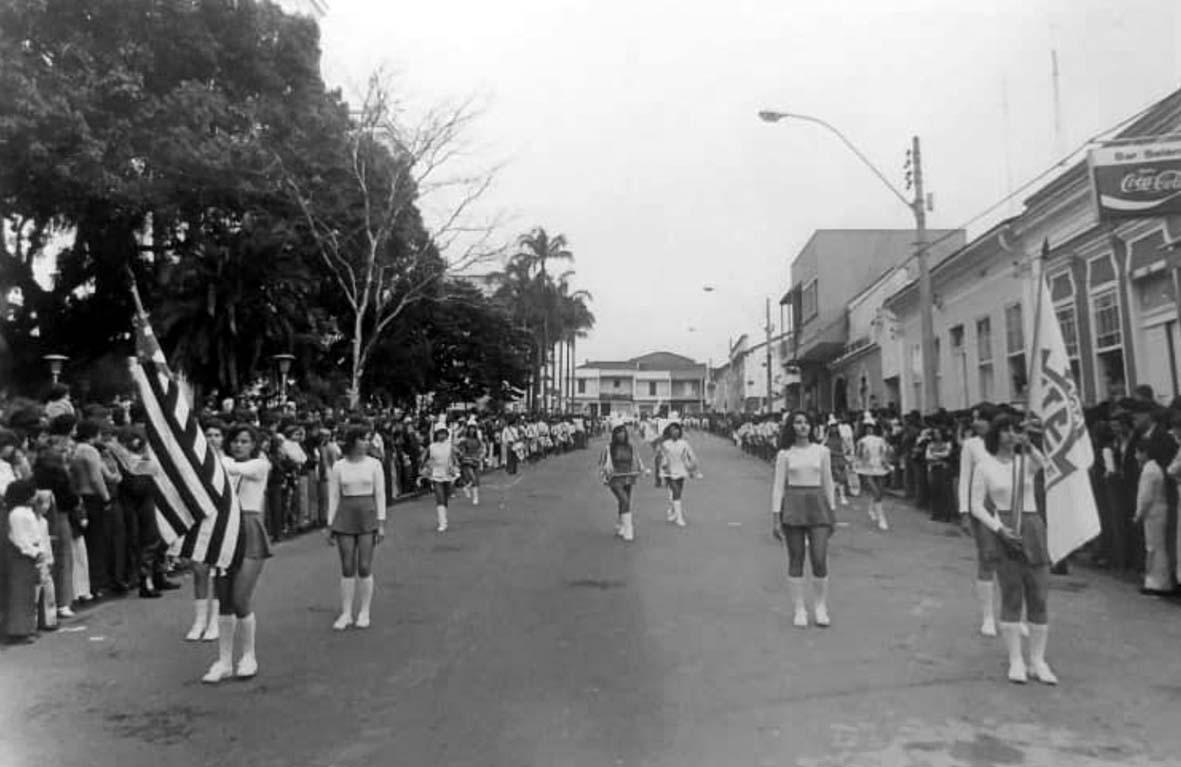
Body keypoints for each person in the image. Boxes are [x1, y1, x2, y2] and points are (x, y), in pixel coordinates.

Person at [969, 414, 1056, 685]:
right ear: (996, 436)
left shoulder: (1024, 463)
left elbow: (1046, 466)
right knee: (1012, 593)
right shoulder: (985, 466)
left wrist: (1029, 445)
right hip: (1004, 526)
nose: (1010, 435)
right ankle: (1016, 659)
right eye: (1004, 430)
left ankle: (1038, 661)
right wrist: (997, 528)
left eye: (1013, 430)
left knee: (1038, 594)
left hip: (1032, 524)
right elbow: (977, 505)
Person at [203, 424, 272, 684]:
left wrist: (207, 458)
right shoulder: (223, 462)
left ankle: (248, 656)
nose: (239, 445)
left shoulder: (259, 465)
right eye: (235, 441)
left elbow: (234, 468)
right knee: (224, 600)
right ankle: (223, 661)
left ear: (253, 445)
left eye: (245, 441)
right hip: (223, 531)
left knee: (240, 597)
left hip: (249, 528)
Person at [771, 411, 836, 628]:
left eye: (806, 422)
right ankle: (799, 609)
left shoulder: (822, 451)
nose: (803, 426)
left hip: (818, 505)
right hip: (793, 505)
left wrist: (832, 510)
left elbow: (828, 482)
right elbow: (778, 486)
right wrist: (775, 517)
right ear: (792, 427)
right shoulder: (785, 454)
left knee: (819, 558)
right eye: (798, 423)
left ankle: (820, 606)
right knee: (796, 558)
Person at [326, 426, 386, 630]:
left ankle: (364, 611)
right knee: (347, 566)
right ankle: (346, 612)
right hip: (345, 514)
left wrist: (381, 521)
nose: (367, 443)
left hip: (367, 514)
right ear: (352, 441)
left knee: (364, 566)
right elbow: (334, 495)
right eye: (363, 439)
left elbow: (380, 494)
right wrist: (330, 523)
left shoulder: (374, 464)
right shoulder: (339, 466)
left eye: (368, 439)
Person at [957, 405, 1002, 636]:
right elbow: (965, 478)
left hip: (1007, 504)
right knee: (987, 557)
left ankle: (1013, 613)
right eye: (974, 420)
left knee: (1012, 562)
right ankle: (988, 615)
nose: (975, 424)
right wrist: (964, 511)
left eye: (979, 420)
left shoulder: (1008, 443)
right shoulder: (971, 445)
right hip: (982, 505)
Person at [186, 420, 224, 642]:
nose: (212, 439)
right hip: (200, 519)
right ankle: (199, 620)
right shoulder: (193, 461)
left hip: (222, 520)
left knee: (219, 571)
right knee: (199, 569)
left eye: (217, 435)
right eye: (208, 435)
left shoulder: (228, 463)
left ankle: (215, 620)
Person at [5, 479, 45, 643]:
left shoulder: (26, 511)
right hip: (22, 556)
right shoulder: (17, 514)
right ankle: (18, 631)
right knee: (20, 593)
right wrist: (34, 552)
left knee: (28, 593)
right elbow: (20, 538)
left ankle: (28, 627)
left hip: (29, 555)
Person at [599, 424, 647, 542]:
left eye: (623, 432)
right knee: (624, 499)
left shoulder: (630, 447)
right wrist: (605, 472)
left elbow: (637, 459)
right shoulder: (609, 448)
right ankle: (629, 528)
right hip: (615, 478)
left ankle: (621, 525)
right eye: (618, 433)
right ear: (614, 435)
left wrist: (642, 469)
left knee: (624, 502)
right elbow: (603, 462)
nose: (621, 435)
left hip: (628, 476)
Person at [655, 418, 702, 528]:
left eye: (677, 430)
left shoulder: (684, 443)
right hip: (668, 471)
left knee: (677, 493)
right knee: (675, 490)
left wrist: (694, 469)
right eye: (672, 430)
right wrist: (657, 475)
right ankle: (679, 517)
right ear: (669, 432)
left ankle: (672, 509)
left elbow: (691, 457)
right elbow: (658, 458)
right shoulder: (665, 444)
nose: (675, 432)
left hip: (681, 469)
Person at [421, 420, 459, 533]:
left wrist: (456, 465)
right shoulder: (431, 447)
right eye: (439, 433)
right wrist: (426, 467)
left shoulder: (450, 445)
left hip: (448, 474)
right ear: (436, 434)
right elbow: (424, 458)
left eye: (443, 432)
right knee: (440, 497)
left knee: (445, 497)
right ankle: (442, 522)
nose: (441, 435)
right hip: (436, 474)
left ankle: (444, 518)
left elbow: (456, 458)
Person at [855, 419, 892, 531]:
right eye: (867, 427)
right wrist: (861, 460)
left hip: (879, 466)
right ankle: (881, 518)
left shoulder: (881, 440)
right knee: (875, 491)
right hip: (867, 468)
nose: (869, 429)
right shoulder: (862, 441)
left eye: (871, 427)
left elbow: (884, 453)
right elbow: (859, 455)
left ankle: (872, 507)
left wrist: (887, 463)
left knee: (880, 492)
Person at [455, 420, 485, 507]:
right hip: (467, 460)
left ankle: (474, 495)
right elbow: (456, 445)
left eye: (473, 429)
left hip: (476, 460)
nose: (472, 430)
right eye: (470, 428)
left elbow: (482, 448)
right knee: (472, 477)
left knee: (476, 479)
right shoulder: (464, 439)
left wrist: (481, 456)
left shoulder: (477, 440)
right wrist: (460, 453)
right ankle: (468, 489)